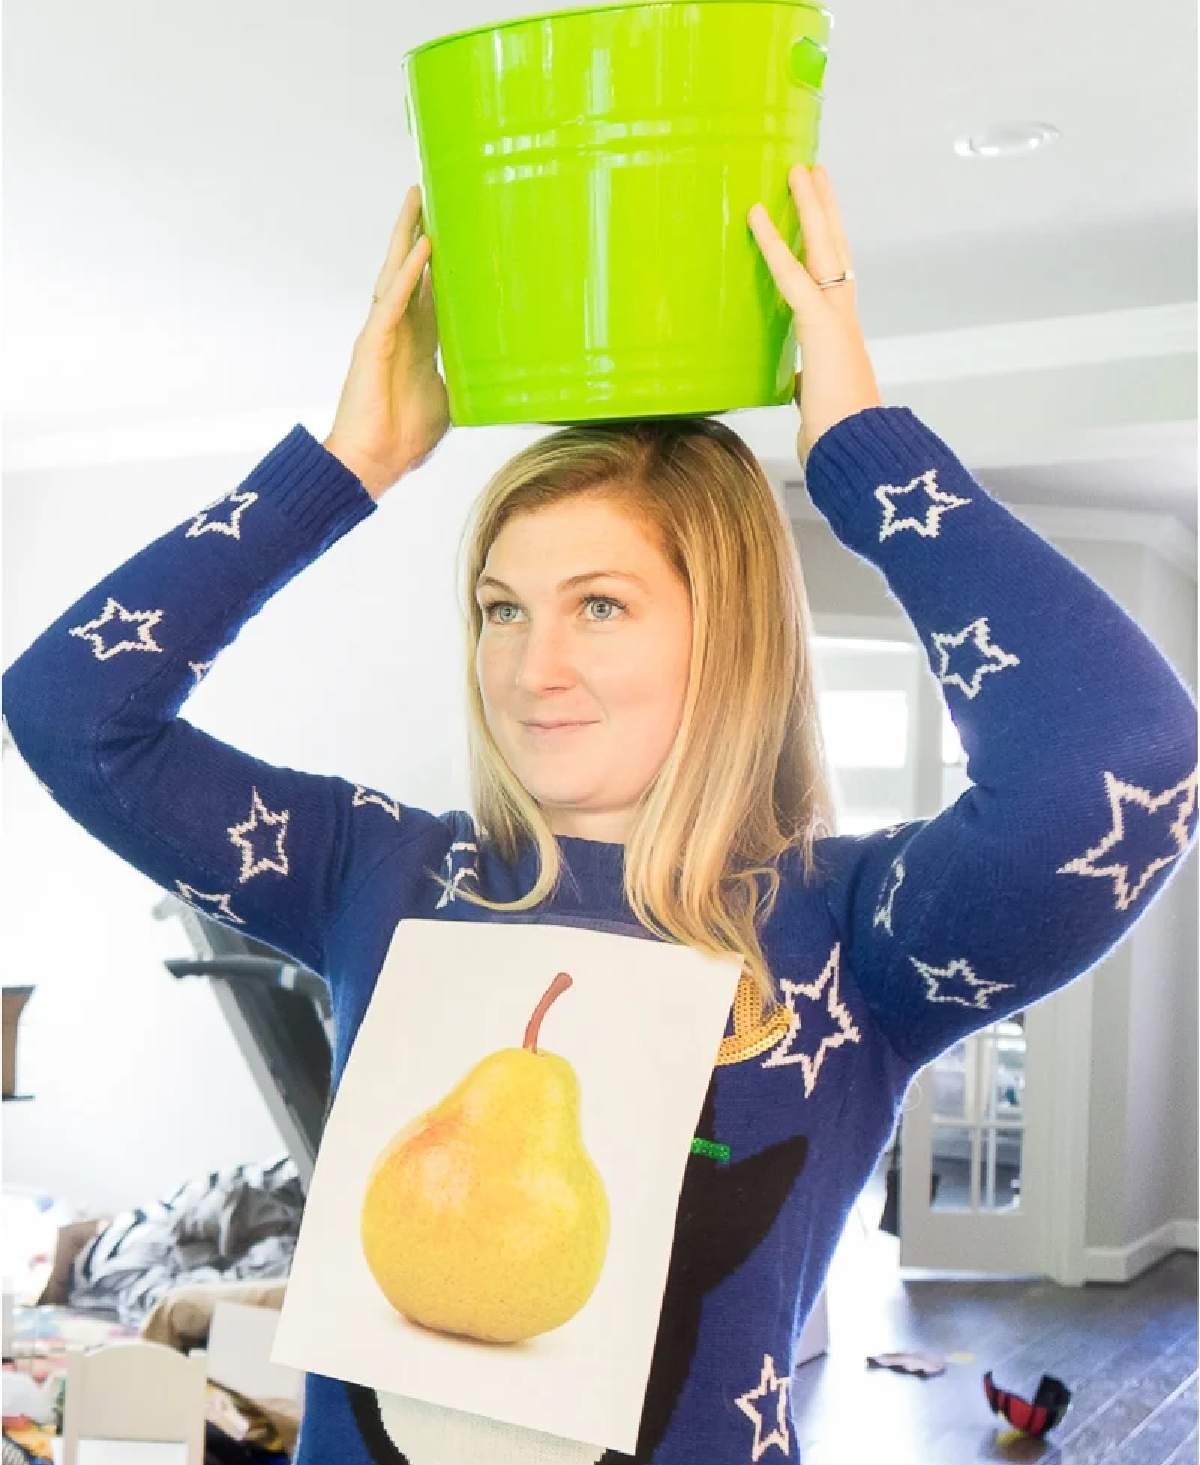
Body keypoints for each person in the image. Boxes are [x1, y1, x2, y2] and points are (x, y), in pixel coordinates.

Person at [3, 164, 1196, 1465]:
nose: (529, 666)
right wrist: (345, 465)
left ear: (726, 636)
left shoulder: (851, 935)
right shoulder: (384, 869)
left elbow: (1118, 766)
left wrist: (864, 452)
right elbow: (72, 707)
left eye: (601, 605)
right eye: (502, 607)